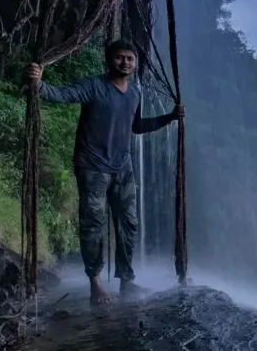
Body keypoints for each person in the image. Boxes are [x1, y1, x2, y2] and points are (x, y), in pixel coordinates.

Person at [24, 39, 183, 303]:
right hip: (92, 167)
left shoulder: (134, 93)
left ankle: (126, 280)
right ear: (109, 60)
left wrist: (170, 117)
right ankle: (95, 284)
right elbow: (63, 95)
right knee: (92, 225)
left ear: (135, 63)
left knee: (129, 223)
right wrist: (38, 84)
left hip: (123, 167)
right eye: (120, 57)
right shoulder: (93, 86)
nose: (125, 62)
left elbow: (138, 127)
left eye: (130, 59)